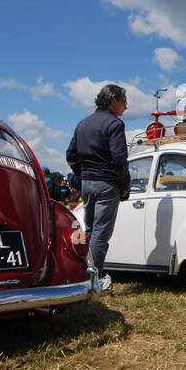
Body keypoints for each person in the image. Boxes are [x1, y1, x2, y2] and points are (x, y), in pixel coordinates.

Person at [66, 84, 129, 271]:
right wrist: (124, 183)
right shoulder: (115, 124)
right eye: (124, 102)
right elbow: (119, 158)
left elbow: (70, 154)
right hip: (107, 183)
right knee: (100, 234)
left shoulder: (83, 123)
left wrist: (82, 174)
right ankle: (94, 277)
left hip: (87, 183)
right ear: (113, 101)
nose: (126, 107)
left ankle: (83, 271)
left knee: (91, 230)